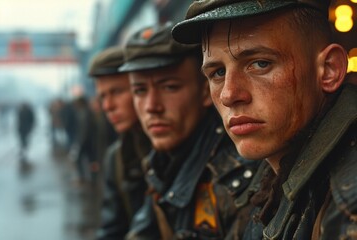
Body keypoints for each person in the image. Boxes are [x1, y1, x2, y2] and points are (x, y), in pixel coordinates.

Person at [172, 0, 357, 239]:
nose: (229, 95)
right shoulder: (267, 181)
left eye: (260, 64)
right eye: (217, 73)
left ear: (329, 69)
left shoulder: (348, 201)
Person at [120, 22, 260, 240]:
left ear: (206, 92)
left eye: (170, 87)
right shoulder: (160, 163)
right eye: (139, 90)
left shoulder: (237, 178)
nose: (151, 106)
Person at [88, 45, 151, 240]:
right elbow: (111, 229)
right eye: (103, 96)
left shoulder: (176, 146)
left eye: (116, 91)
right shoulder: (116, 158)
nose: (107, 106)